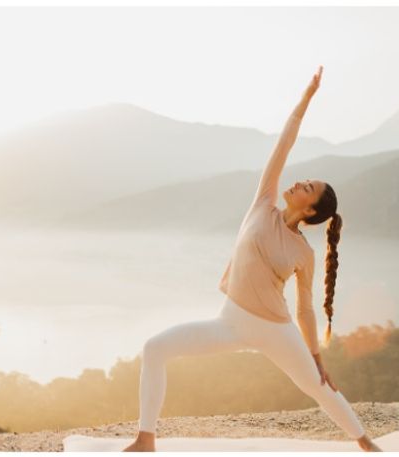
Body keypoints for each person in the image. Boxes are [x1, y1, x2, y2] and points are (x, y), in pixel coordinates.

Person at [123, 65, 381, 452]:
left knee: (319, 387)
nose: (297, 183)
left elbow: (305, 311)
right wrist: (305, 100)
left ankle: (366, 444)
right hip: (230, 321)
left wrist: (315, 356)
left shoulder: (303, 253)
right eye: (303, 180)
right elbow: (285, 143)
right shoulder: (264, 202)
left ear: (310, 210)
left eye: (306, 187)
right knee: (154, 348)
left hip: (275, 329)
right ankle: (146, 439)